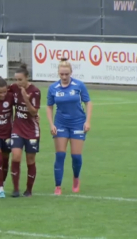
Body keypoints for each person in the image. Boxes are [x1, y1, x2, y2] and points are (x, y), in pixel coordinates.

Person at [46, 58, 92, 195]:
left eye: (67, 74)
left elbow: (88, 102)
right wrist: (51, 124)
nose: (64, 77)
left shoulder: (79, 85)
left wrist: (87, 121)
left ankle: (76, 178)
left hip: (78, 123)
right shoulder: (53, 88)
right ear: (58, 73)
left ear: (71, 72)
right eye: (62, 74)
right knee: (60, 155)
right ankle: (58, 186)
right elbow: (49, 107)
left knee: (76, 157)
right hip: (61, 124)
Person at [9, 64, 41, 198]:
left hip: (32, 130)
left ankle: (29, 190)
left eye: (20, 79)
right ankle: (15, 189)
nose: (17, 82)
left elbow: (34, 112)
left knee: (30, 159)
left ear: (27, 78)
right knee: (16, 156)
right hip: (17, 127)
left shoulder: (35, 91)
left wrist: (26, 99)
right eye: (16, 79)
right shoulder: (14, 88)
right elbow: (1, 91)